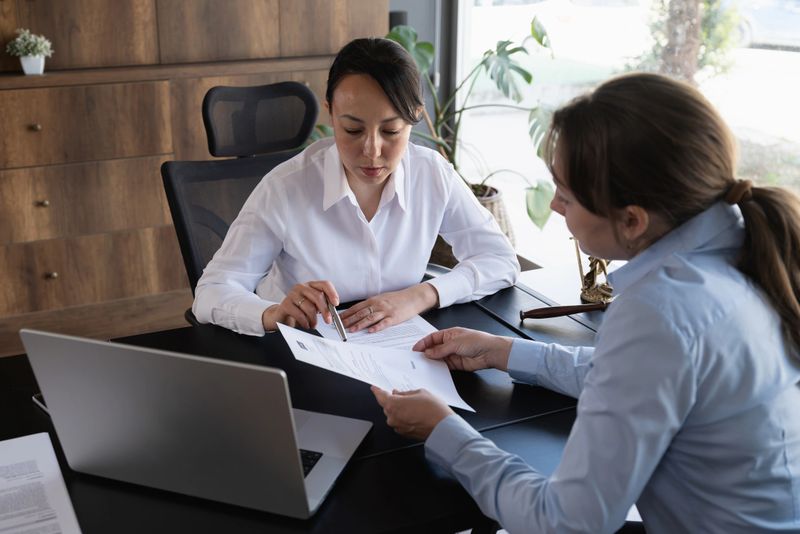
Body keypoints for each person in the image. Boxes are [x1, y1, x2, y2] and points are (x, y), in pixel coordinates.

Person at [372, 72, 800, 532]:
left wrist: (443, 431)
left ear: (632, 220)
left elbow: (564, 523)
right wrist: (505, 352)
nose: (554, 206)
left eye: (567, 195)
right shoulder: (740, 253)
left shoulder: (662, 310)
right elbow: (636, 373)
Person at [192, 38, 519, 336]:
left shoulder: (431, 174)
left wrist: (419, 296)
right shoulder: (285, 188)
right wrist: (272, 313)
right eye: (352, 130)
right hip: (303, 350)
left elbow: (500, 259)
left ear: (415, 116)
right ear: (331, 112)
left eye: (391, 131)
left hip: (398, 347)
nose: (372, 151)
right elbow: (212, 291)